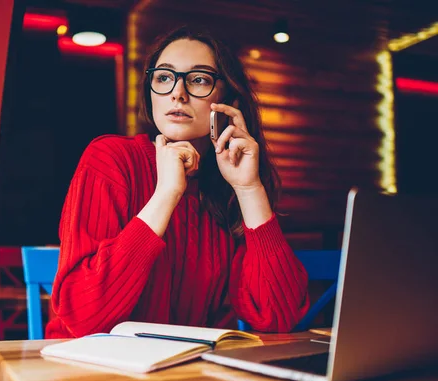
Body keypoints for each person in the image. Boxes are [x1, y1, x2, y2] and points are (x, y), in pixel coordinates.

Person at [45, 25, 310, 339]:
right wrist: (166, 194)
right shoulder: (110, 157)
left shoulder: (227, 187)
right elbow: (83, 318)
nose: (177, 92)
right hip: (91, 373)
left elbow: (279, 317)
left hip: (186, 375)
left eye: (198, 79)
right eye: (164, 77)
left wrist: (249, 189)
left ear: (228, 102)